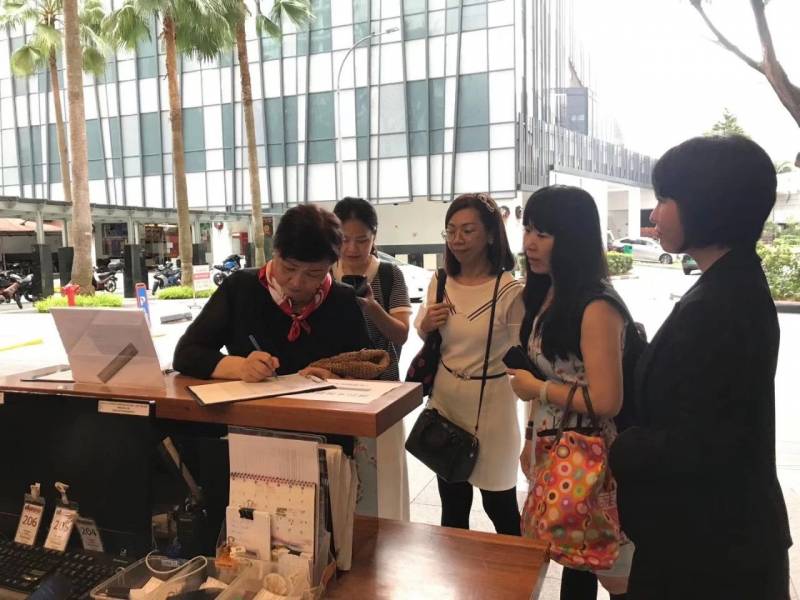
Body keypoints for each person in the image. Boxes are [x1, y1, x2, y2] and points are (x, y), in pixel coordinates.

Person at [609, 135, 792, 600]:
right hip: (715, 536)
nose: (654, 216)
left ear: (707, 201)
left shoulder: (722, 302)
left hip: (711, 549)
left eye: (665, 199)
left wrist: (621, 447)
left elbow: (703, 440)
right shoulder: (729, 282)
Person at [508, 185, 633, 598]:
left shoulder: (597, 305)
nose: (529, 243)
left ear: (574, 237)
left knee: (611, 566)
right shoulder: (548, 293)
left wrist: (539, 389)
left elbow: (607, 400)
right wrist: (530, 440)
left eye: (543, 234)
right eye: (528, 230)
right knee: (573, 552)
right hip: (557, 447)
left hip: (592, 456)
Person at [414, 192, 524, 535]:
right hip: (446, 402)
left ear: (490, 234)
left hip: (493, 406)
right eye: (451, 230)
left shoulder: (508, 290)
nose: (457, 239)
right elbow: (427, 335)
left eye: (467, 230)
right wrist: (425, 324)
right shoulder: (440, 281)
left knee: (501, 507)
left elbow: (523, 356)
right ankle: (456, 570)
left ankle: (516, 570)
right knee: (453, 508)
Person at [173, 203, 371, 381]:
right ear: (275, 252)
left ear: (331, 265)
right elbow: (187, 354)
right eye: (289, 268)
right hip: (255, 408)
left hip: (323, 408)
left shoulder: (342, 299)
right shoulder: (240, 288)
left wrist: (339, 378)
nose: (296, 282)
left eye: (313, 273)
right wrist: (241, 367)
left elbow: (369, 366)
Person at [332, 196, 412, 520]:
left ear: (374, 237)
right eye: (344, 239)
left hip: (382, 393)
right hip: (334, 393)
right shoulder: (324, 273)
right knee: (339, 481)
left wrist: (373, 307)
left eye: (362, 240)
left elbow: (401, 334)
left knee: (385, 477)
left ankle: (391, 535)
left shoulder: (390, 275)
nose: (352, 249)